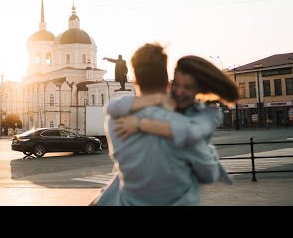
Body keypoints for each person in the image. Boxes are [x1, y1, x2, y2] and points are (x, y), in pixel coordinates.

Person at [91, 45, 238, 206]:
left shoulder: (116, 120)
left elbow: (112, 107)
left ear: (135, 80)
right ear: (167, 80)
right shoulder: (182, 123)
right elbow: (208, 173)